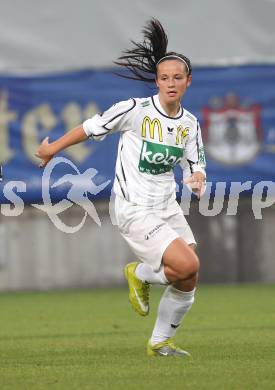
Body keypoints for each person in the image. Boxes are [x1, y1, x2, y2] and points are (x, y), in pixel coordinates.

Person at [36, 18, 206, 357]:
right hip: (134, 207)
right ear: (156, 81)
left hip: (166, 205)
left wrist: (198, 176)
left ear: (188, 81)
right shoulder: (135, 110)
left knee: (186, 276)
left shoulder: (189, 124)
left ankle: (160, 343)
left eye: (177, 78)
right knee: (187, 265)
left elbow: (194, 162)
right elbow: (89, 127)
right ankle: (141, 273)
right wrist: (52, 149)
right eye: (164, 78)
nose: (170, 83)